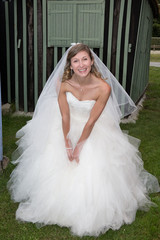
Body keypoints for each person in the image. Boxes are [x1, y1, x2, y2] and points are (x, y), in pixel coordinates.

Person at [8, 43, 160, 237]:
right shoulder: (62, 84)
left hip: (92, 128)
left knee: (94, 164)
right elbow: (64, 116)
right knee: (54, 160)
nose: (81, 64)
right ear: (70, 65)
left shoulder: (103, 87)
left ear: (92, 61)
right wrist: (67, 142)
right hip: (66, 125)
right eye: (76, 60)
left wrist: (79, 146)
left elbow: (91, 122)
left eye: (84, 59)